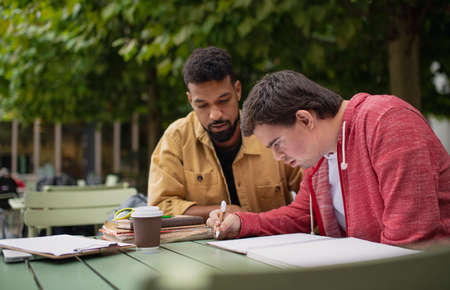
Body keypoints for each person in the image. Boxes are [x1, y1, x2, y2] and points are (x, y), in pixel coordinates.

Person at [207, 70, 450, 246]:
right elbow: (300, 216)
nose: (278, 157)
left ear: (305, 119)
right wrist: (240, 223)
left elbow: (409, 239)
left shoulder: (388, 122)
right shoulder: (320, 157)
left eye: (278, 144)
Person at [147, 48, 302, 219]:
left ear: (237, 91)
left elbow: (313, 190)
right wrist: (223, 212)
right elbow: (159, 207)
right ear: (190, 100)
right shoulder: (176, 139)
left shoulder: (273, 133)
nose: (215, 115)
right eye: (203, 105)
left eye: (223, 101)